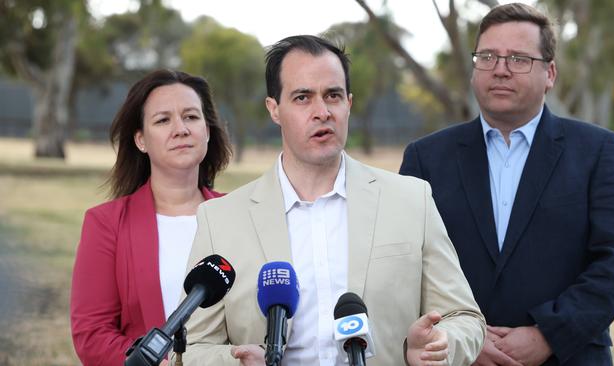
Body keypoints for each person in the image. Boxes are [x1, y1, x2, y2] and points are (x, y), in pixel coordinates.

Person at [175, 35, 485, 366]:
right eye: (302, 97)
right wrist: (237, 363)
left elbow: (464, 317)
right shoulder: (220, 219)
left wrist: (439, 345)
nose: (322, 112)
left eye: (333, 96)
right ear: (274, 109)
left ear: (348, 103)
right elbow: (193, 345)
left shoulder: (412, 200)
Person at [400, 3, 614, 366]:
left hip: (569, 356)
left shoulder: (597, 151)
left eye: (518, 59)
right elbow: (406, 264)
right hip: (459, 358)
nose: (500, 70)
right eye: (487, 57)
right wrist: (464, 338)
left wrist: (549, 333)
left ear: (550, 73)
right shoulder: (426, 158)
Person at [70, 69, 232, 366]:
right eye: (163, 120)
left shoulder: (239, 215)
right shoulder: (106, 223)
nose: (181, 129)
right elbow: (91, 335)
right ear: (141, 140)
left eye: (191, 117)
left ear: (207, 131)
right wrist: (155, 361)